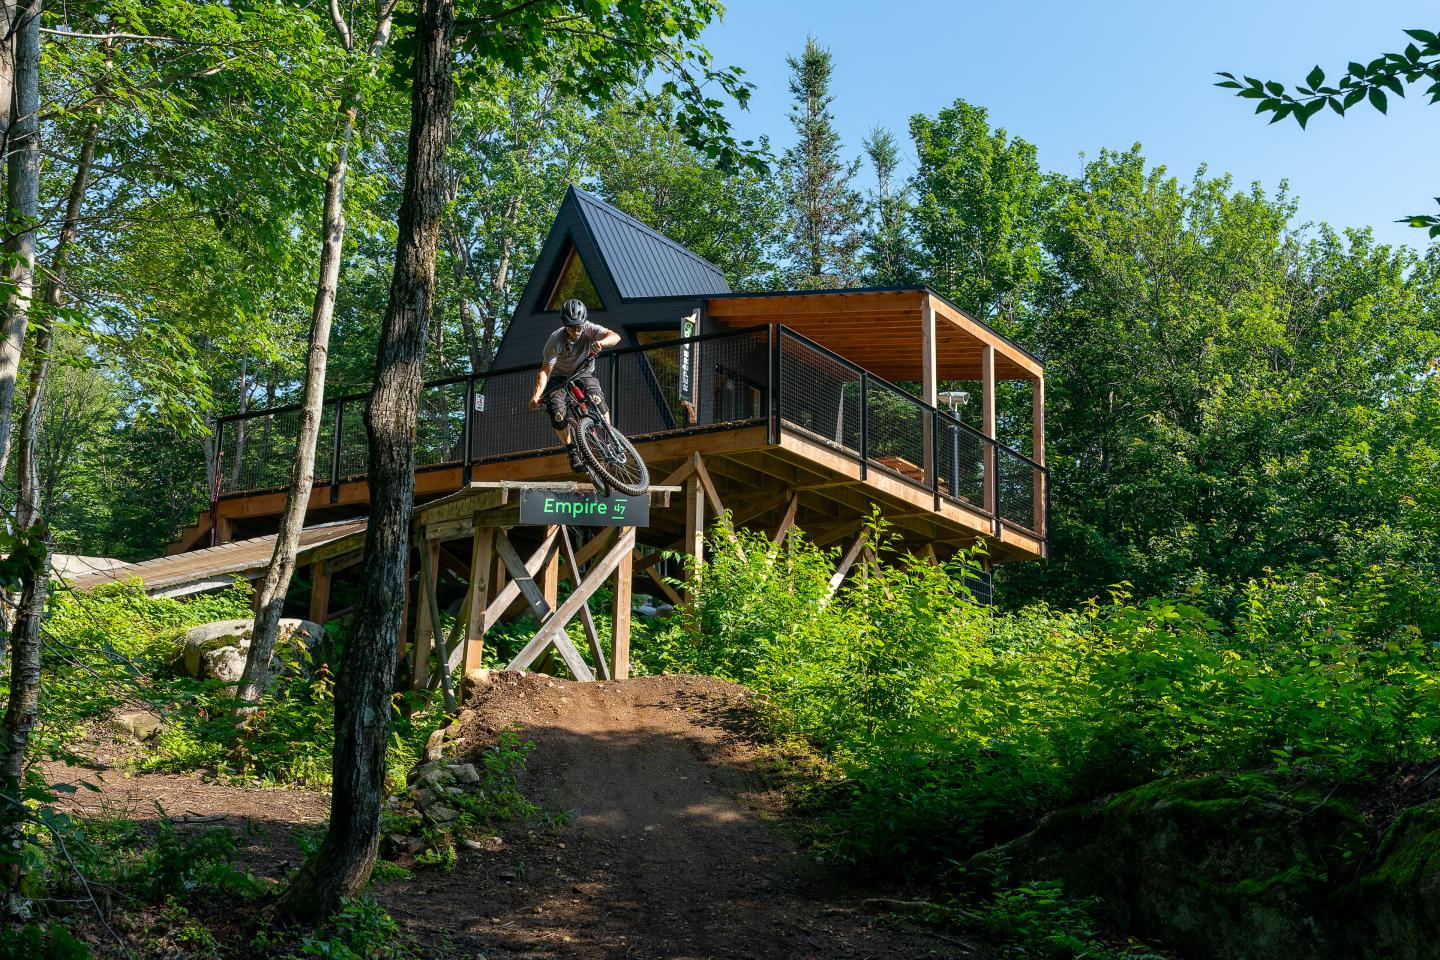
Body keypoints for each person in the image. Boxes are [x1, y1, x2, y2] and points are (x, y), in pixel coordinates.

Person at [528, 298, 622, 472]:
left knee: (597, 399)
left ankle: (611, 440)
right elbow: (545, 370)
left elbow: (615, 336)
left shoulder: (589, 328)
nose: (576, 331)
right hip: (558, 377)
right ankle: (572, 451)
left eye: (579, 326)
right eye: (572, 328)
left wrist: (602, 342)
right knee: (557, 413)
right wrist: (536, 395)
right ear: (565, 325)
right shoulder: (555, 340)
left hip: (583, 372)